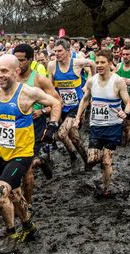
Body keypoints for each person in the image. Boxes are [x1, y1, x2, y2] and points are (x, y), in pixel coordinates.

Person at [0, 54, 61, 254]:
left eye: (4, 71)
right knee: (14, 194)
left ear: (16, 72)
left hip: (22, 154)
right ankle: (29, 227)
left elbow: (55, 103)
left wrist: (52, 125)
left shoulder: (28, 93)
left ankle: (11, 235)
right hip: (1, 154)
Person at [74, 49, 130, 197]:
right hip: (96, 126)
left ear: (110, 63)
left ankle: (107, 190)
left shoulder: (118, 81)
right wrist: (78, 117)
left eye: (102, 62)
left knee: (106, 161)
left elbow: (128, 103)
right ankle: (102, 167)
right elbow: (85, 99)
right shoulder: (92, 80)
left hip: (113, 126)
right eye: (97, 62)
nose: (99, 65)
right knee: (92, 159)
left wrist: (125, 112)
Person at [14, 44, 59, 207]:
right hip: (15, 126)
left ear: (30, 60)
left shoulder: (39, 79)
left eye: (22, 60)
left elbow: (57, 102)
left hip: (35, 125)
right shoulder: (10, 77)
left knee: (25, 168)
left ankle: (28, 203)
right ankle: (42, 160)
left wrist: (43, 112)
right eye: (16, 60)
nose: (18, 64)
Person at [48, 38, 96, 170]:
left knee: (62, 133)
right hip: (62, 106)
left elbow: (92, 63)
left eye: (60, 51)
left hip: (77, 106)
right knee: (74, 137)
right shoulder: (52, 65)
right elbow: (50, 87)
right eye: (55, 51)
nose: (57, 54)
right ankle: (87, 161)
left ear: (68, 51)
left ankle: (73, 155)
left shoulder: (77, 63)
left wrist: (91, 82)